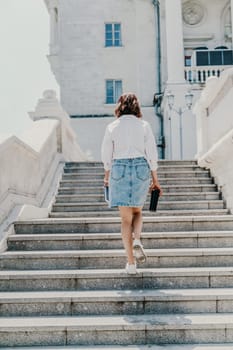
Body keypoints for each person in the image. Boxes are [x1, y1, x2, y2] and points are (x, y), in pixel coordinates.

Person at [101, 92, 162, 274]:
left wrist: (107, 176)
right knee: (138, 211)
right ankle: (137, 239)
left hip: (119, 167)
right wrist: (155, 180)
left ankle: (131, 264)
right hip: (140, 166)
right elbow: (151, 153)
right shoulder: (144, 125)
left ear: (119, 106)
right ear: (136, 106)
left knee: (125, 219)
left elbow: (106, 155)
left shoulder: (112, 126)